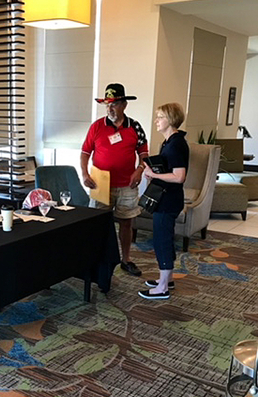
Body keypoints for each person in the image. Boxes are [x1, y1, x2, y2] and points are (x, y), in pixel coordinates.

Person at [81, 83, 149, 277]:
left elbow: (144, 153)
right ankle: (96, 258)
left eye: (114, 104)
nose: (110, 108)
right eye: (107, 104)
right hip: (100, 184)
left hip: (127, 184)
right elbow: (85, 153)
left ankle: (126, 259)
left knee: (127, 223)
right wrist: (85, 174)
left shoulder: (135, 127)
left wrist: (140, 169)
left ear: (124, 105)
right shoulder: (97, 127)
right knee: (98, 223)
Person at [138, 102, 189, 300]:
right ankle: (166, 279)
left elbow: (179, 176)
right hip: (165, 198)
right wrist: (155, 173)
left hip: (169, 200)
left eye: (160, 117)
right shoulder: (169, 142)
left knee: (162, 240)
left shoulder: (176, 144)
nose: (156, 121)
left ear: (170, 120)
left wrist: (154, 174)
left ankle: (162, 288)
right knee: (162, 238)